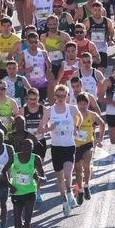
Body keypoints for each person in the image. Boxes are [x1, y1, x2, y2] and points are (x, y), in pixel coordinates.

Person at [37, 83, 81, 216]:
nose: (61, 98)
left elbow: (80, 117)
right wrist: (49, 129)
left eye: (63, 95)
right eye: (58, 95)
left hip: (69, 145)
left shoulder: (72, 108)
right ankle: (64, 202)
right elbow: (40, 129)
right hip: (56, 148)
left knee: (68, 174)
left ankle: (69, 191)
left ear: (67, 96)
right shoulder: (49, 111)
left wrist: (77, 127)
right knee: (59, 178)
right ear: (54, 96)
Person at [3, 137, 43, 228]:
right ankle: (22, 223)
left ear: (32, 148)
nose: (28, 149)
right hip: (17, 193)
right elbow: (4, 171)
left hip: (30, 192)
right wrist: (10, 186)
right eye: (25, 146)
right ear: (21, 147)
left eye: (30, 147)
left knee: (28, 222)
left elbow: (42, 175)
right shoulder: (15, 157)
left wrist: (39, 178)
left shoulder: (36, 158)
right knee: (17, 227)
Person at [72, 92, 104, 202]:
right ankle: (79, 189)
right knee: (77, 170)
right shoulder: (74, 115)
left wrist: (100, 138)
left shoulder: (92, 115)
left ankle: (86, 186)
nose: (82, 106)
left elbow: (102, 124)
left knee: (86, 165)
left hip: (88, 144)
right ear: (77, 104)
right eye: (80, 104)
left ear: (88, 103)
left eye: (84, 103)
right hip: (76, 145)